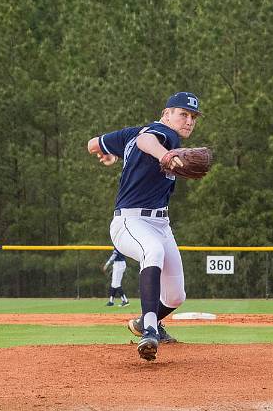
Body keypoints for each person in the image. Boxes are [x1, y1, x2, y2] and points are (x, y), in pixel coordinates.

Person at [87, 91, 202, 361]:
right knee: (153, 251)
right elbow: (147, 140)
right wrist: (165, 155)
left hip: (161, 223)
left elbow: (93, 144)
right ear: (166, 114)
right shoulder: (164, 134)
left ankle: (141, 322)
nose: (189, 121)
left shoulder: (129, 133)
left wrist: (107, 154)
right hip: (130, 220)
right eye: (183, 114)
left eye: (193, 117)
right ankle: (151, 330)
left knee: (175, 296)